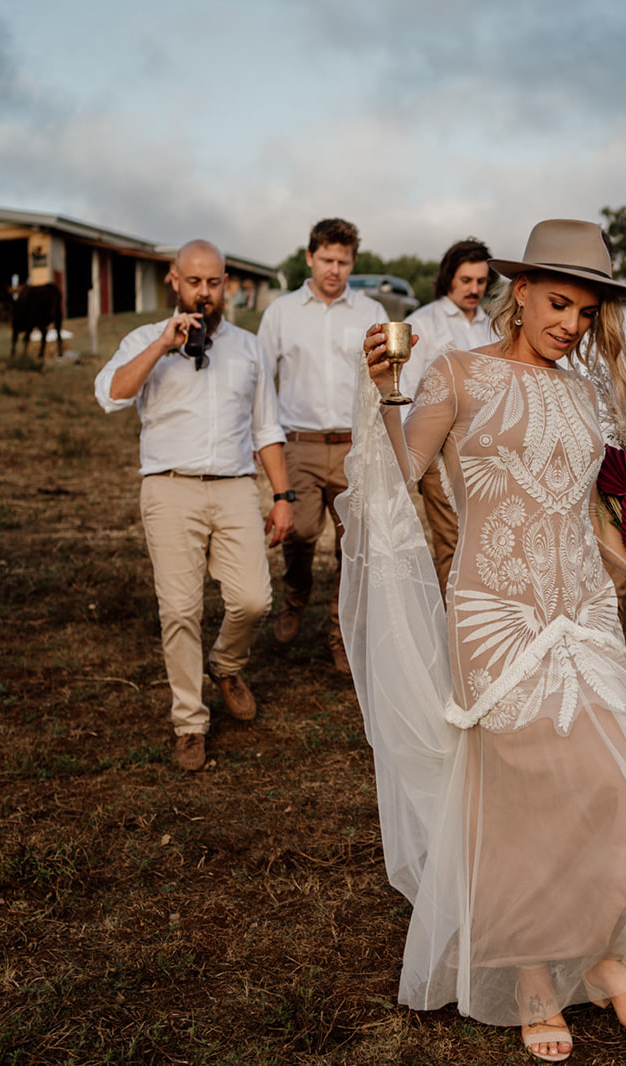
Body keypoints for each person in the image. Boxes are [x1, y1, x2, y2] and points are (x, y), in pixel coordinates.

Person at [345, 219, 626, 1061]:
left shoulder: (585, 394)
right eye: (558, 303)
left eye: (586, 310)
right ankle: (538, 977)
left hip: (583, 615)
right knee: (526, 803)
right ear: (520, 292)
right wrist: (385, 393)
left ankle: (604, 960)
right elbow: (402, 475)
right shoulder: (457, 374)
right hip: (497, 616)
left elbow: (586, 514)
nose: (570, 323)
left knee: (620, 794)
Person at [95, 240, 295, 772]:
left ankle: (226, 664)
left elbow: (267, 426)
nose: (204, 293)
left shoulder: (249, 347)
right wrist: (162, 345)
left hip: (234, 487)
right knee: (180, 610)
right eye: (194, 283)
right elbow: (110, 394)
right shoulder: (144, 339)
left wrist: (281, 496)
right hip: (169, 487)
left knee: (253, 600)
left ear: (225, 282)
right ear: (174, 281)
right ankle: (190, 722)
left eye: (213, 283)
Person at [255, 218, 386, 673]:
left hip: (354, 445)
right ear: (310, 257)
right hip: (301, 443)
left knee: (352, 546)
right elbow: (261, 381)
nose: (334, 269)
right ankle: (294, 595)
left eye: (343, 261)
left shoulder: (370, 312)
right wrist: (264, 437)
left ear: (353, 262)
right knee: (303, 530)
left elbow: (382, 379)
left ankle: (340, 634)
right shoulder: (281, 313)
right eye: (327, 260)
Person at [400, 238, 497, 593]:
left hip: (491, 455)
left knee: (488, 546)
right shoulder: (422, 322)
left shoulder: (495, 325)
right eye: (466, 280)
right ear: (448, 278)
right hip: (440, 453)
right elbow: (406, 391)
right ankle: (453, 632)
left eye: (481, 281)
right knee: (453, 548)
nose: (474, 289)